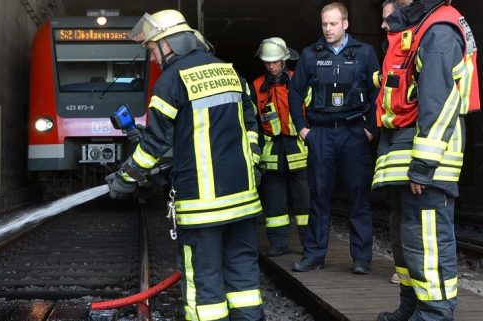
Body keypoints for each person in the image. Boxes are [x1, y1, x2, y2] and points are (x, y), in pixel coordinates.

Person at [107, 9, 265, 321]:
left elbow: (151, 145)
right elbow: (252, 128)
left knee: (204, 286)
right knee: (243, 277)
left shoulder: (170, 81)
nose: (153, 57)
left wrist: (126, 177)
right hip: (243, 200)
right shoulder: (231, 73)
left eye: (153, 49)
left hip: (202, 206)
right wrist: (253, 167)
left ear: (170, 43)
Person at [372, 0, 479, 320]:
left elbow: (440, 99)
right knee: (406, 239)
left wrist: (423, 165)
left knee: (427, 241)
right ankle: (412, 305)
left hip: (427, 160)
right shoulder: (421, 25)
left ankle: (435, 312)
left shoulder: (439, 30)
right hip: (406, 154)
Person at [288, 2, 379, 274]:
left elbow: (378, 92)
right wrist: (304, 129)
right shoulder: (309, 55)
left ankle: (362, 259)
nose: (328, 29)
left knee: (358, 197)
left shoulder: (365, 53)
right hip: (321, 134)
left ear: (345, 24)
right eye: (324, 24)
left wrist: (371, 129)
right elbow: (294, 92)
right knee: (319, 197)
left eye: (333, 24)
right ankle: (314, 255)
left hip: (354, 132)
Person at [249, 37, 311, 257]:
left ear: (284, 60)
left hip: (298, 148)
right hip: (272, 151)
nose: (271, 66)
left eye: (274, 61)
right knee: (274, 203)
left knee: (304, 201)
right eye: (267, 62)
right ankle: (278, 244)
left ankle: (309, 244)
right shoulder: (257, 86)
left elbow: (311, 112)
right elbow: (253, 121)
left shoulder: (298, 81)